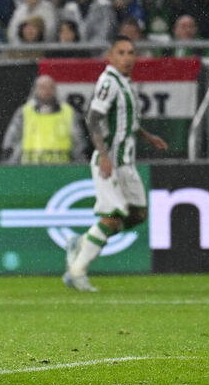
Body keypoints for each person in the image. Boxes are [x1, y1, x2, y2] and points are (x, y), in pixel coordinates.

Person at [63, 37, 167, 291]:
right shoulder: (108, 81)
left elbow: (124, 120)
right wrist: (105, 155)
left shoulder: (126, 83)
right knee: (112, 216)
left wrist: (145, 136)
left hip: (126, 162)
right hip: (109, 160)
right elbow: (93, 117)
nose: (128, 57)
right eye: (121, 52)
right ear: (110, 56)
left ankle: (83, 241)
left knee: (138, 214)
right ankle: (76, 272)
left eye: (132, 52)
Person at [1, 74, 86, 164]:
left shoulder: (68, 112)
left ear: (55, 90)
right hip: (30, 167)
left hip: (61, 167)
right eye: (43, 87)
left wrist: (79, 165)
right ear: (36, 90)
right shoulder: (25, 112)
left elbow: (79, 144)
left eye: (51, 87)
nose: (47, 91)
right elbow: (10, 142)